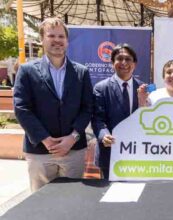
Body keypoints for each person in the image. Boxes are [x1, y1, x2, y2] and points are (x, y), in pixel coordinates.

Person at [13, 17, 93, 192]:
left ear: (67, 41)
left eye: (61, 36)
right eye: (51, 36)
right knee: (41, 206)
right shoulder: (27, 71)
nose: (57, 40)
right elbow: (21, 108)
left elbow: (87, 108)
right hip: (40, 152)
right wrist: (46, 140)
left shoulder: (81, 72)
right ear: (42, 39)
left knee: (72, 202)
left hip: (73, 151)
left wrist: (72, 138)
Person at [91, 43, 143, 179]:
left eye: (128, 59)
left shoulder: (143, 89)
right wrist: (104, 136)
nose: (124, 63)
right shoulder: (101, 88)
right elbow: (97, 119)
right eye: (119, 59)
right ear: (112, 63)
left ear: (135, 64)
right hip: (110, 154)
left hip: (137, 154)